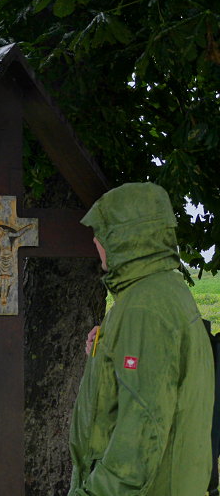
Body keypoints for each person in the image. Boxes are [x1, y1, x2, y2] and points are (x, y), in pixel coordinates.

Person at [68, 182, 214, 495]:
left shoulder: (144, 308)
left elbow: (142, 434)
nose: (95, 240)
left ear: (126, 238)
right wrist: (106, 348)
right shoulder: (163, 289)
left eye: (103, 232)